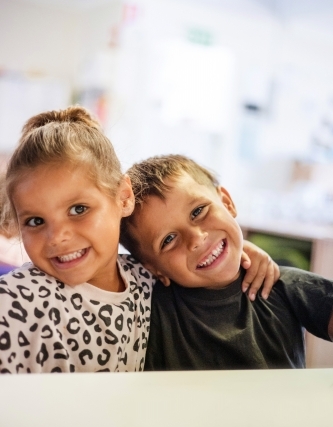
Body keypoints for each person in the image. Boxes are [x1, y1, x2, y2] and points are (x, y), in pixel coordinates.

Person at [0, 106, 277, 374]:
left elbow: (185, 256)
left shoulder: (145, 276)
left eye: (78, 209)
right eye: (35, 221)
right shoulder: (13, 301)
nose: (57, 237)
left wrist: (244, 252)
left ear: (123, 197)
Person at [120, 154, 333, 370]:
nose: (196, 239)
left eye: (198, 211)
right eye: (168, 239)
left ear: (227, 203)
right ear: (155, 269)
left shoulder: (282, 285)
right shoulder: (147, 307)